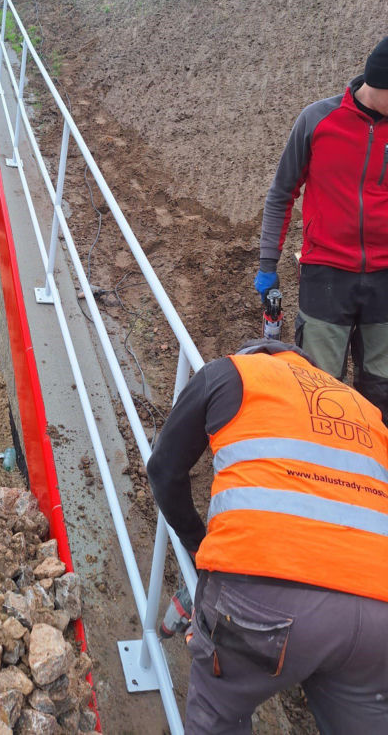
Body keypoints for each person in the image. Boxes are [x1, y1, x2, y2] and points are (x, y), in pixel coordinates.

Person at [147, 339, 388, 734]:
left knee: (218, 714)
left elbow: (163, 471)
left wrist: (196, 543)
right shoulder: (366, 411)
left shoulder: (232, 374)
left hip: (262, 597)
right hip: (379, 612)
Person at [254, 36, 388, 422]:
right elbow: (282, 193)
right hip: (326, 275)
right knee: (321, 393)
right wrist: (268, 263)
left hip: (385, 281)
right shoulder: (317, 120)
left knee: (381, 392)